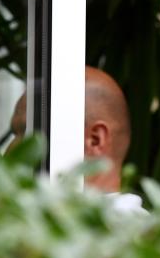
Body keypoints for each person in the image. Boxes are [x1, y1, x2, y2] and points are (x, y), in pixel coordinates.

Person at [9, 67, 143, 213]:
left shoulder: (122, 230)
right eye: (15, 135)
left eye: (30, 135)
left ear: (95, 140)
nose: (10, 150)